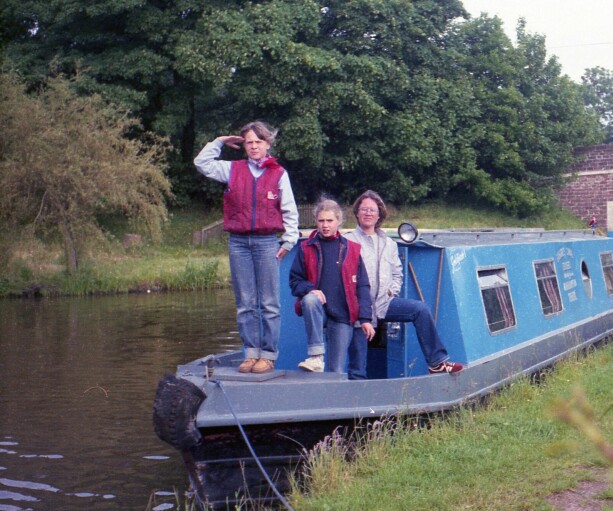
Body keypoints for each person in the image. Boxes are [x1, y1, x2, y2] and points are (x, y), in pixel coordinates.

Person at [194, 121, 299, 374]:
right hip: (238, 243)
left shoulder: (278, 174)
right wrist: (218, 141)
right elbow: (201, 163)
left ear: (267, 144)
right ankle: (251, 354)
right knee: (245, 303)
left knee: (270, 303)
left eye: (258, 142)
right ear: (244, 146)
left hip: (266, 242)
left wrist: (289, 239)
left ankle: (269, 355)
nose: (253, 146)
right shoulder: (232, 170)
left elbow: (289, 209)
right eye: (249, 142)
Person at [344, 190, 463, 379]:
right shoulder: (348, 241)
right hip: (358, 308)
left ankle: (437, 362)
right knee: (358, 364)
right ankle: (357, 397)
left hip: (384, 302)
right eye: (364, 209)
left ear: (379, 214)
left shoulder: (389, 243)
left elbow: (397, 272)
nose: (368, 213)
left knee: (420, 309)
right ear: (357, 213)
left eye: (372, 210)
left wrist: (393, 292)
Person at [289, 198, 376, 374]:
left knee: (336, 369)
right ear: (316, 222)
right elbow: (294, 281)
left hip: (343, 316)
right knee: (310, 300)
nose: (325, 225)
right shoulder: (306, 248)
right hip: (318, 312)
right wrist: (310, 289)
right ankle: (316, 356)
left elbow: (362, 286)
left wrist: (366, 319)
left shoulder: (352, 249)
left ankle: (329, 399)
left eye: (329, 220)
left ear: (338, 221)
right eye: (321, 221)